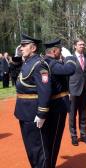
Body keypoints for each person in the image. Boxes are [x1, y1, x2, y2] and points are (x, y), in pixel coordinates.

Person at [14, 33, 52, 167]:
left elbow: (45, 91)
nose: (21, 48)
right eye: (21, 45)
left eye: (24, 46)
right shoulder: (27, 62)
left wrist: (42, 114)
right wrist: (17, 56)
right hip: (24, 112)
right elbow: (15, 75)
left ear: (33, 48)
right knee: (30, 149)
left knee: (38, 150)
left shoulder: (39, 65)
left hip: (33, 113)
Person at [44, 39, 76, 167]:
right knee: (54, 139)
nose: (60, 53)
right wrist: (70, 57)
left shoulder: (46, 61)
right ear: (54, 51)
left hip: (50, 105)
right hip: (57, 106)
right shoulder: (51, 63)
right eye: (60, 51)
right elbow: (70, 69)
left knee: (49, 138)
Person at [67, 38, 86, 146]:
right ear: (75, 46)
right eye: (80, 44)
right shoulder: (70, 59)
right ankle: (74, 136)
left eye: (83, 44)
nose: (82, 46)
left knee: (83, 114)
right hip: (73, 90)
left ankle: (83, 134)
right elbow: (66, 76)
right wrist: (67, 91)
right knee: (72, 114)